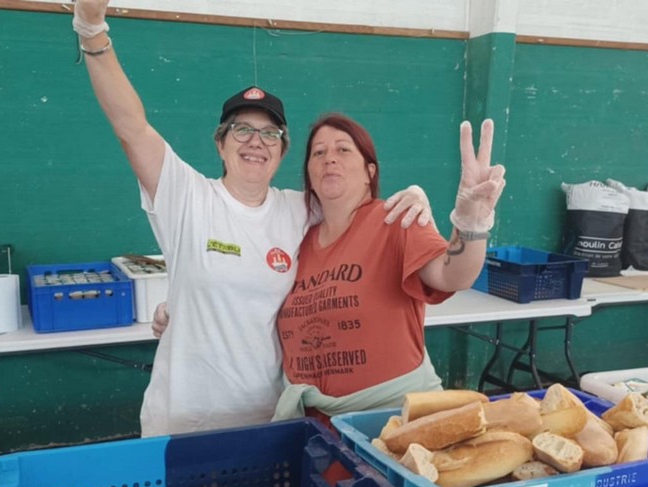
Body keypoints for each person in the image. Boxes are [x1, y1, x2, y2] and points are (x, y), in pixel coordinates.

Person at [72, 0, 433, 437]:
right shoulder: (186, 197)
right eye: (241, 130)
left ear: (282, 151)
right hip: (183, 422)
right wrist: (92, 31)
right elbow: (131, 127)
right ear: (220, 144)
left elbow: (355, 200)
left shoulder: (300, 209)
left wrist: (413, 199)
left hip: (268, 422)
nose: (255, 142)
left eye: (270, 134)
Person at [272, 113, 505, 427]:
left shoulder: (397, 219)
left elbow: (453, 275)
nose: (330, 159)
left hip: (393, 425)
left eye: (343, 149)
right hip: (316, 428)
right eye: (319, 152)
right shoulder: (298, 241)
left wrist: (470, 224)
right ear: (309, 176)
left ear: (370, 172)